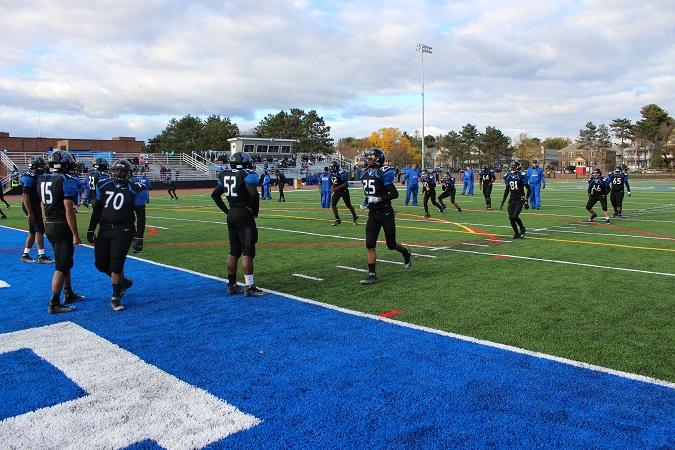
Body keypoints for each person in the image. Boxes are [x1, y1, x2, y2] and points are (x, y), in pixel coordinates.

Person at [87, 160, 147, 311]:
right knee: (100, 264)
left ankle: (115, 297)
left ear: (128, 173)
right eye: (117, 170)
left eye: (122, 171)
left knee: (116, 263)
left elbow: (141, 215)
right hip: (105, 229)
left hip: (124, 230)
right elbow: (97, 210)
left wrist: (139, 237)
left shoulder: (135, 188)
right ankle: (123, 282)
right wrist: (91, 229)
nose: (119, 173)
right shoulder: (104, 185)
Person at [211, 152, 265, 297]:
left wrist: (227, 211)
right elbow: (254, 194)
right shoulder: (247, 174)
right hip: (243, 214)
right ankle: (249, 286)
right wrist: (254, 211)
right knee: (248, 251)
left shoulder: (224, 174)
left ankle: (232, 285)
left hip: (232, 214)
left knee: (234, 251)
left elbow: (215, 195)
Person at [39, 151, 85, 314]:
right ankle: (54, 302)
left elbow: (42, 204)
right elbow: (68, 210)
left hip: (50, 224)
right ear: (64, 164)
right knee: (61, 265)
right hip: (61, 225)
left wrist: (46, 222)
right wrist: (75, 234)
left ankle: (68, 293)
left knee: (64, 261)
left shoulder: (42, 178)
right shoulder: (67, 180)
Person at [358, 148, 412, 285]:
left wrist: (379, 199)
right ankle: (372, 275)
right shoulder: (364, 173)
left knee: (391, 244)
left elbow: (394, 194)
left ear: (379, 158)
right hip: (373, 214)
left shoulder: (384, 172)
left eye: (372, 157)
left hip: (385, 212)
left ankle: (406, 252)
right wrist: (366, 201)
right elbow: (370, 192)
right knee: (370, 244)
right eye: (368, 157)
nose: (369, 159)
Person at [19, 156, 53, 263]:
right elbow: (25, 195)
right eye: (40, 165)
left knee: (33, 231)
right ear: (35, 166)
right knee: (39, 230)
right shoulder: (29, 177)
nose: (42, 167)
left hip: (34, 205)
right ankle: (41, 256)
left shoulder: (37, 176)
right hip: (30, 205)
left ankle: (25, 254)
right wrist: (30, 212)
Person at [500, 161, 531, 239]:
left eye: (514, 167)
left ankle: (522, 228)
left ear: (517, 168)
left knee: (514, 216)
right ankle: (516, 233)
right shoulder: (508, 176)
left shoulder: (521, 176)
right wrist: (503, 201)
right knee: (511, 217)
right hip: (512, 199)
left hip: (520, 199)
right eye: (512, 167)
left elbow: (529, 188)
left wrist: (526, 200)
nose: (512, 168)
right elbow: (507, 190)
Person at [329, 161, 358, 226]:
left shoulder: (342, 173)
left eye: (332, 167)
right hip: (337, 191)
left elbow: (345, 184)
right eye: (331, 166)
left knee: (348, 205)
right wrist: (332, 187)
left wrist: (335, 188)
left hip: (343, 191)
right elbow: (334, 182)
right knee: (333, 204)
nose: (331, 168)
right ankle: (337, 219)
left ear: (336, 167)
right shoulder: (332, 173)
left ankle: (354, 216)